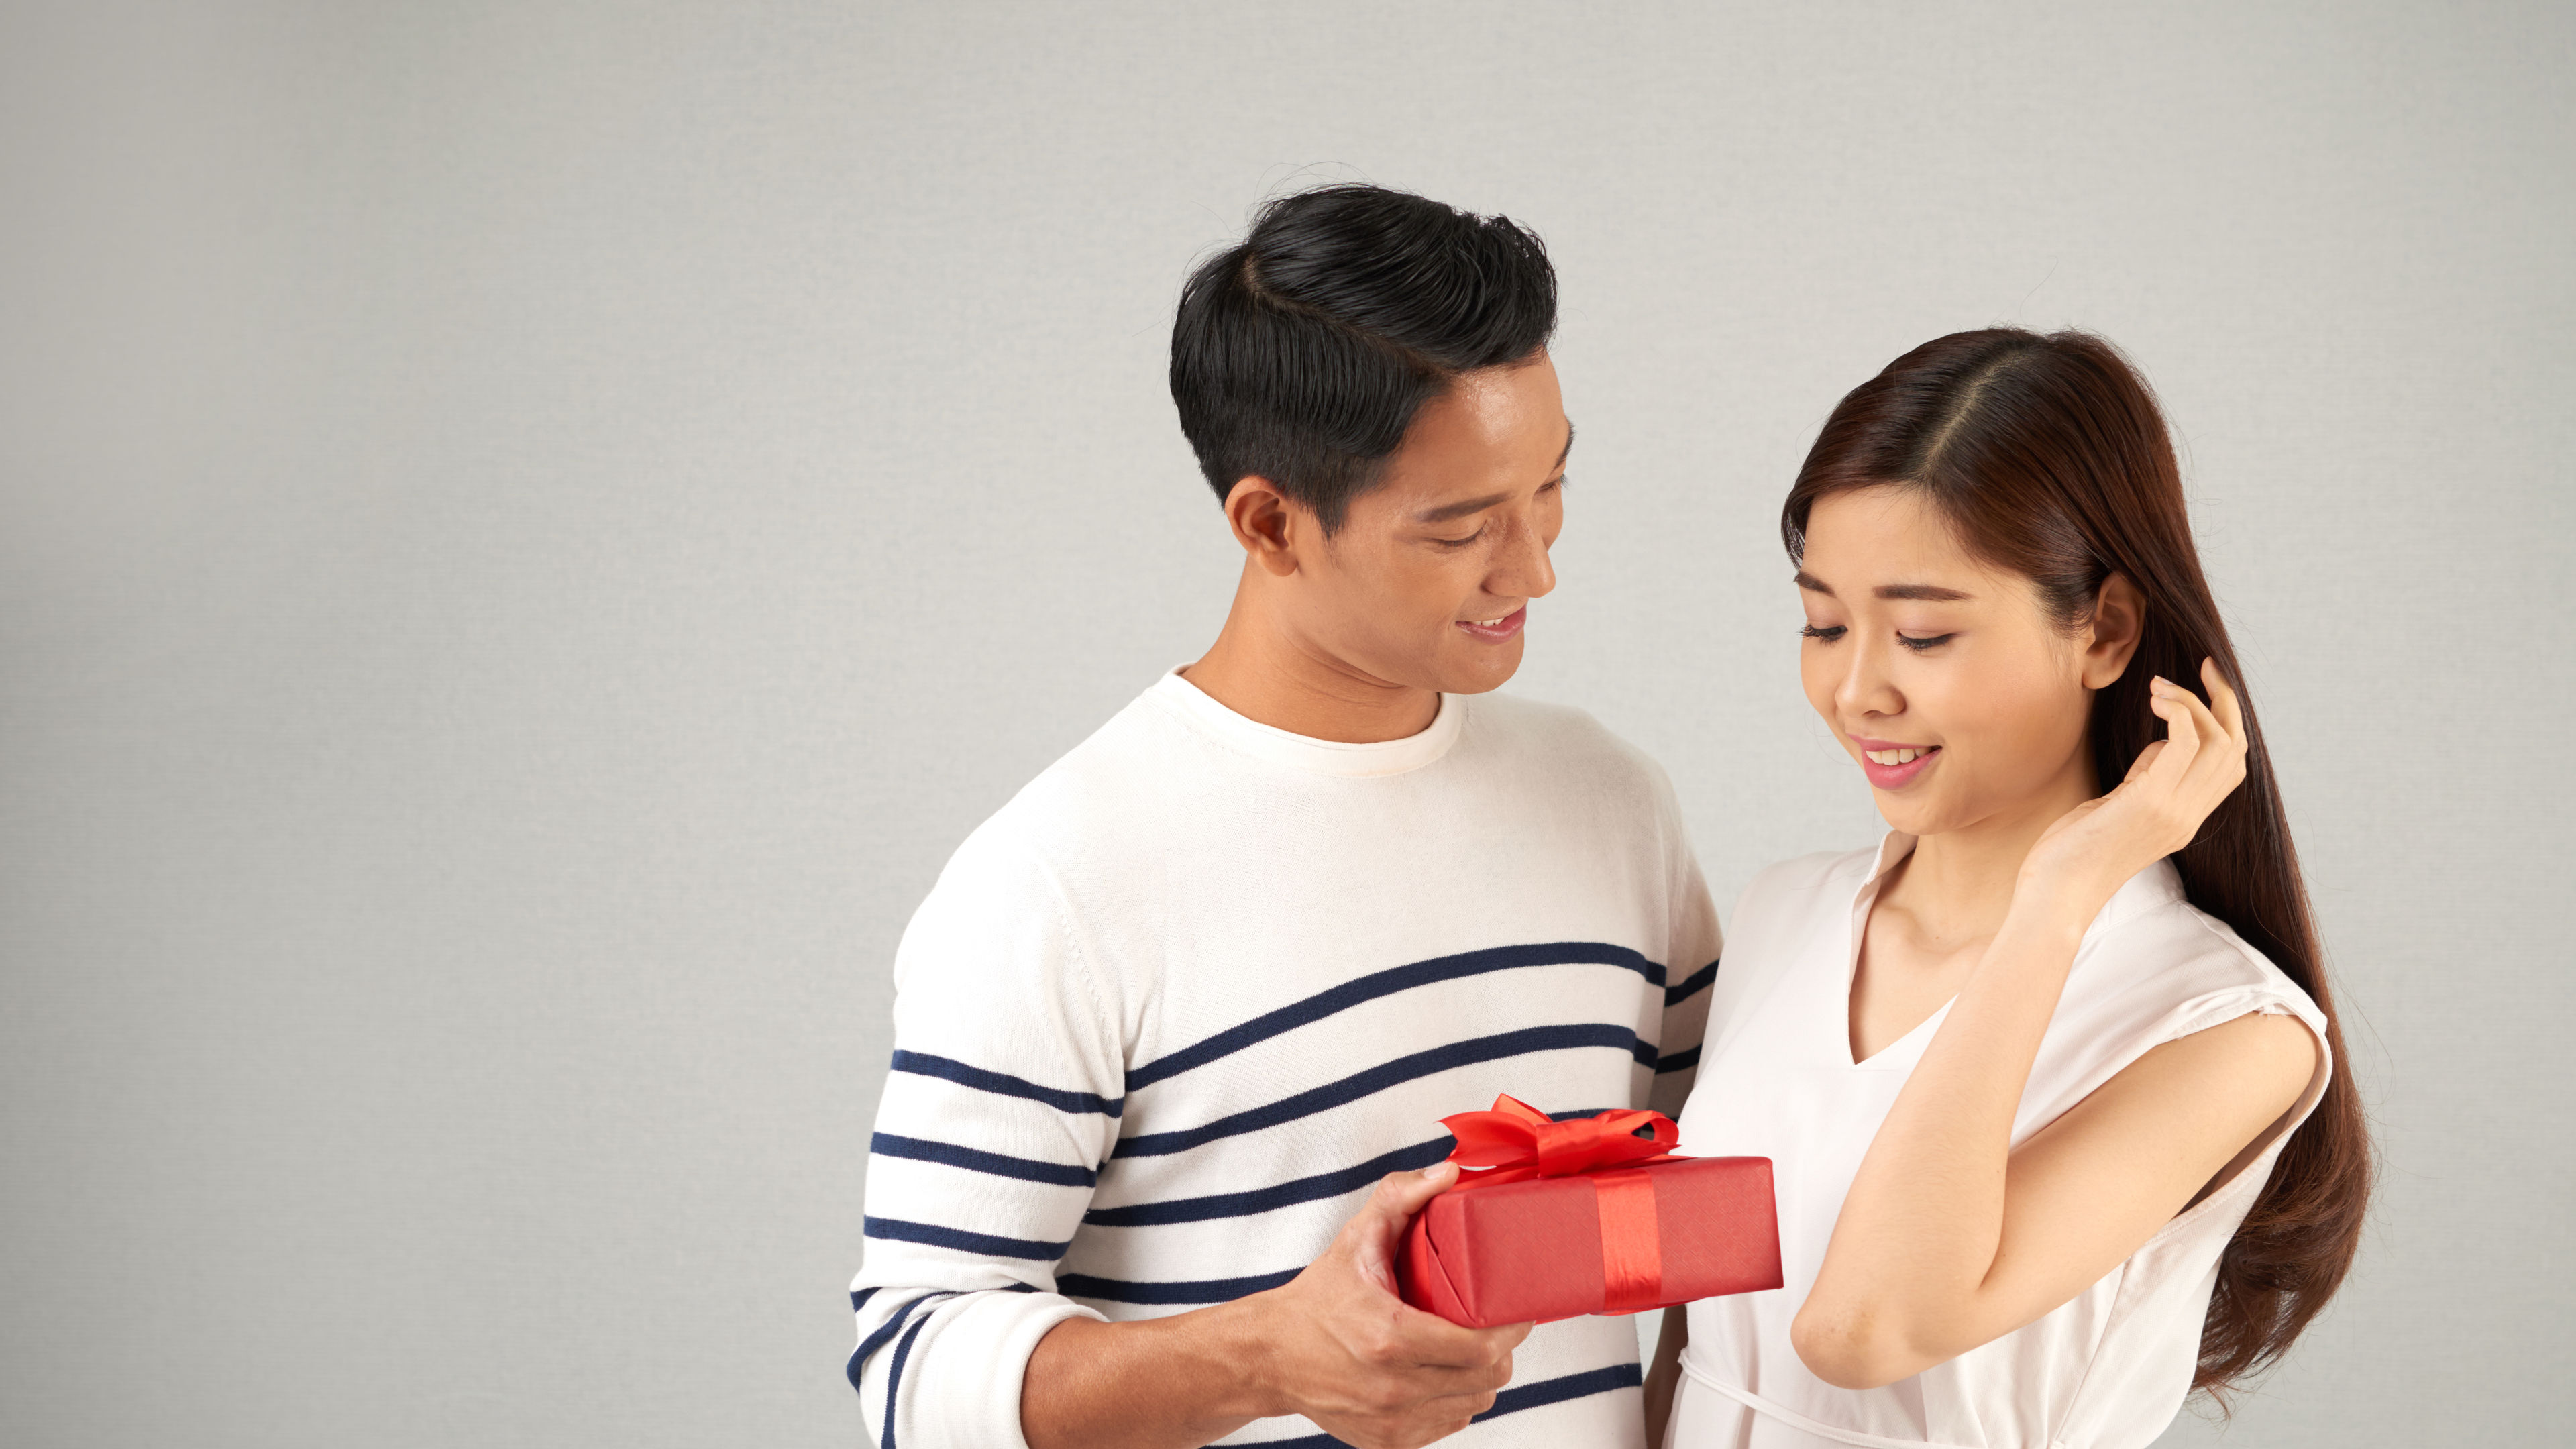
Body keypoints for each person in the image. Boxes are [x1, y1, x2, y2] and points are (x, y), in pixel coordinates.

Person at [849, 183, 1723, 1449]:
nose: (1534, 566)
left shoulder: (1613, 803)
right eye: (1464, 526)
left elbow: (1724, 1208)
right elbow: (913, 1372)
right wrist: (1268, 1356)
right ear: (1269, 522)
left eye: (1551, 485)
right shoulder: (1058, 882)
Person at [1645, 329, 2372, 1448]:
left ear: (2106, 630)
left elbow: (1867, 1328)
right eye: (1823, 623)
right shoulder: (1785, 912)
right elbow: (1690, 1342)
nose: (1854, 690)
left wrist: (2058, 902)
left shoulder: (2232, 1029)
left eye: (1925, 634)